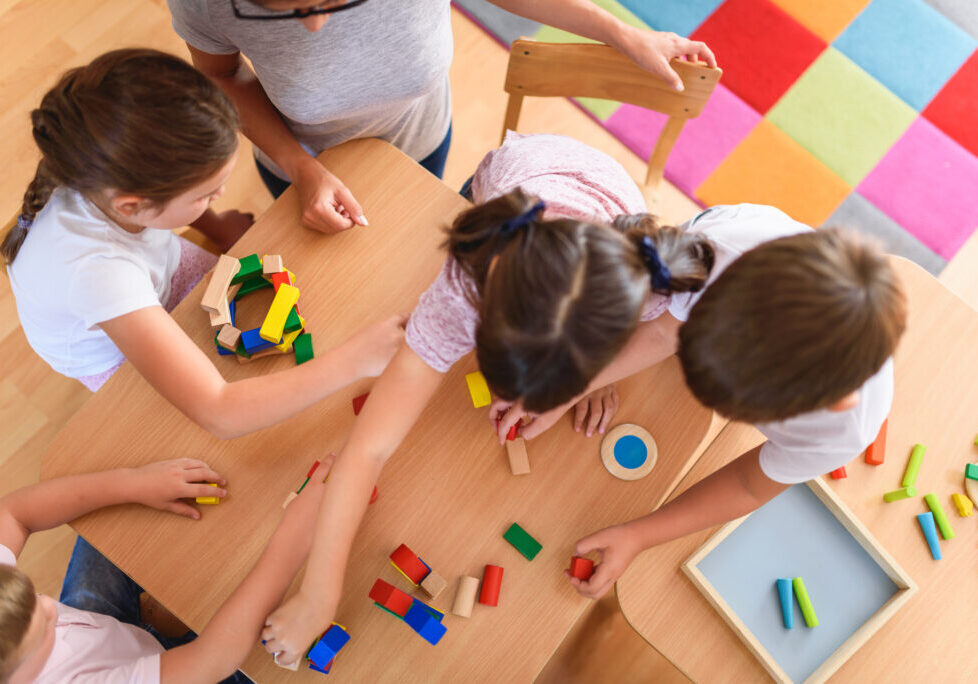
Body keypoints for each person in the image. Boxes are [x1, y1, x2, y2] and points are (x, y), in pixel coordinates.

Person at [259, 131, 719, 664]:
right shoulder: (459, 291)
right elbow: (367, 449)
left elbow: (654, 338)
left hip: (610, 224)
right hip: (517, 179)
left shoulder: (647, 288)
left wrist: (596, 382)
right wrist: (320, 594)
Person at [2, 49, 403, 438]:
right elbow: (220, 412)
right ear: (133, 204)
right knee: (188, 424)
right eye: (207, 194)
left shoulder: (98, 161)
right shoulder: (98, 274)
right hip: (109, 350)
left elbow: (164, 204)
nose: (223, 192)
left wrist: (214, 225)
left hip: (149, 272)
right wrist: (353, 360)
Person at [562, 223, 905, 598]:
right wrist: (581, 376)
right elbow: (661, 327)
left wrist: (639, 535)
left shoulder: (843, 432)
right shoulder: (720, 246)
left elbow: (748, 486)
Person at [166, 0, 716, 233]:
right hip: (300, 159)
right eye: (285, 10)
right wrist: (298, 164)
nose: (313, 27)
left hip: (423, 133)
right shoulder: (205, 3)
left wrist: (623, 33)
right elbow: (218, 75)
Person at [0, 456, 331, 683]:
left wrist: (133, 483)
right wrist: (294, 539)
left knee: (108, 525)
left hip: (107, 634)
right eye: (41, 628)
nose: (49, 607)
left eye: (33, 594)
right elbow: (213, 658)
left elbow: (13, 513)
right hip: (175, 671)